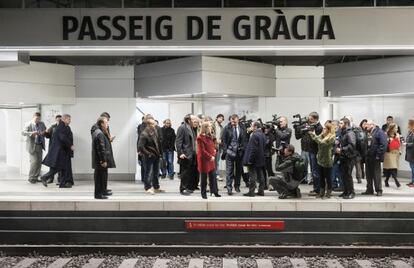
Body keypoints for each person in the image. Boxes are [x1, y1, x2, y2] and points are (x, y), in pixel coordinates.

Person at [294, 112, 323, 195]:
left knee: (315, 171)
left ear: (315, 119)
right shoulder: (311, 126)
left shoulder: (319, 127)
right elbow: (298, 136)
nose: (309, 121)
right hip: (310, 150)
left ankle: (317, 190)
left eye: (310, 119)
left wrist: (311, 131)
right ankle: (316, 189)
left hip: (315, 151)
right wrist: (298, 128)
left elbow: (318, 140)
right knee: (314, 171)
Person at [42, 114, 74, 188]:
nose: (70, 121)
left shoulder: (65, 127)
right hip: (60, 151)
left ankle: (62, 184)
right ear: (64, 119)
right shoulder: (61, 127)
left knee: (63, 167)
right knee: (58, 167)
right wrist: (70, 145)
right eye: (69, 119)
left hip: (62, 151)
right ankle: (45, 177)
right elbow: (63, 138)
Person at [221, 114, 248, 195]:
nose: (233, 123)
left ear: (238, 120)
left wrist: (243, 148)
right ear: (230, 120)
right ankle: (229, 188)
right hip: (229, 152)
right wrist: (226, 151)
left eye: (235, 122)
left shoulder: (242, 127)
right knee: (229, 171)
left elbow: (245, 139)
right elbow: (223, 140)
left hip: (239, 153)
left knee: (239, 171)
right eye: (232, 122)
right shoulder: (226, 128)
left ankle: (237, 186)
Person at [137, 118, 165, 194]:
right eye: (153, 124)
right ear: (149, 125)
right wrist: (148, 154)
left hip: (156, 155)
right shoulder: (144, 134)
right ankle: (148, 187)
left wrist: (160, 153)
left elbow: (158, 143)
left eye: (154, 123)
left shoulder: (155, 131)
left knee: (156, 172)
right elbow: (140, 147)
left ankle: (156, 187)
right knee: (148, 172)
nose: (155, 125)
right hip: (148, 156)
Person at [92, 117, 116, 199]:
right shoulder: (100, 134)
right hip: (100, 161)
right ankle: (98, 195)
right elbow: (101, 148)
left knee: (99, 177)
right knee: (99, 178)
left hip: (98, 160)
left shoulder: (98, 132)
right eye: (106, 123)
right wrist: (103, 160)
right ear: (101, 124)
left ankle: (100, 193)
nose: (107, 124)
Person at [310, 121, 336, 198]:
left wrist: (313, 135)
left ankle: (328, 192)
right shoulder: (323, 135)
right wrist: (312, 134)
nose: (323, 129)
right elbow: (317, 139)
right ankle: (321, 193)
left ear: (329, 129)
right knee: (321, 177)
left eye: (325, 128)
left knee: (328, 178)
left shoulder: (331, 137)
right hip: (320, 159)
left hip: (327, 160)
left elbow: (322, 143)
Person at [196, 121, 221, 199]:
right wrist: (210, 156)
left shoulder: (209, 136)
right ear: (206, 128)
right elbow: (202, 151)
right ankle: (203, 193)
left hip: (211, 159)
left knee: (213, 176)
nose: (211, 128)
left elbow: (212, 146)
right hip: (204, 160)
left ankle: (214, 191)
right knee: (204, 178)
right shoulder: (200, 138)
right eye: (210, 126)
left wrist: (214, 151)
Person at [363, 119, 388, 196]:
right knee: (368, 174)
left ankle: (379, 190)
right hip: (368, 157)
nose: (366, 126)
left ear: (372, 125)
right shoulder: (368, 133)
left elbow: (383, 145)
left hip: (375, 157)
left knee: (376, 174)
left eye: (368, 125)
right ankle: (369, 189)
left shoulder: (379, 132)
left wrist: (378, 156)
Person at [22, 112, 47, 184]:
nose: (38, 120)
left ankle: (35, 177)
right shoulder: (28, 123)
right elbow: (23, 132)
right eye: (36, 118)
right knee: (34, 162)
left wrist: (44, 132)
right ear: (33, 117)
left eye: (39, 119)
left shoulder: (42, 123)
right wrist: (31, 133)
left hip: (40, 145)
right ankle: (31, 177)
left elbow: (45, 131)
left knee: (39, 162)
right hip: (32, 145)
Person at [243, 121, 266, 197]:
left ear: (255, 126)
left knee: (252, 175)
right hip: (261, 158)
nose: (250, 127)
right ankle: (261, 191)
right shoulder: (263, 134)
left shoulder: (255, 135)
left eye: (252, 126)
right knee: (260, 175)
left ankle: (251, 192)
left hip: (254, 159)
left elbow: (253, 149)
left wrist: (250, 160)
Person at [176, 114, 197, 195]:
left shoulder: (191, 127)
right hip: (185, 154)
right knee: (184, 173)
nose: (195, 121)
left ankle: (188, 187)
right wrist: (180, 153)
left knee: (189, 172)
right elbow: (178, 141)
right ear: (189, 120)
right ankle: (183, 188)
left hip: (191, 154)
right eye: (193, 119)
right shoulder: (182, 128)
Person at [336, 117, 357, 199]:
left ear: (346, 124)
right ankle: (346, 191)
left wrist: (341, 149)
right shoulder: (343, 132)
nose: (339, 125)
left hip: (349, 157)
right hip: (343, 156)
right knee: (344, 175)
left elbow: (352, 145)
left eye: (341, 123)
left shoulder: (350, 133)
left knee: (348, 175)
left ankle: (351, 192)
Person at [42, 114, 62, 184]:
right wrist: (46, 132)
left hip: (60, 148)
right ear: (56, 119)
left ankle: (60, 179)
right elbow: (47, 136)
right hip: (52, 148)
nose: (59, 121)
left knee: (60, 163)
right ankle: (50, 178)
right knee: (52, 163)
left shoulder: (64, 127)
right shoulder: (53, 127)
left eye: (60, 119)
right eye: (58, 119)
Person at [383, 123, 401, 188]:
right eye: (395, 128)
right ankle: (396, 181)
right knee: (392, 167)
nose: (396, 129)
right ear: (392, 128)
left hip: (396, 153)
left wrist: (400, 151)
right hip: (388, 153)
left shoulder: (397, 135)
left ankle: (386, 180)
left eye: (397, 128)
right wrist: (389, 140)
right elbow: (384, 144)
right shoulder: (386, 135)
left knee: (392, 168)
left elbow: (399, 144)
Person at [355, 119, 368, 184]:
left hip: (364, 150)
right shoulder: (359, 131)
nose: (365, 125)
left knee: (360, 164)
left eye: (366, 124)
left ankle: (361, 176)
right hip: (359, 151)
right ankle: (359, 177)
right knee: (358, 165)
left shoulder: (367, 131)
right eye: (364, 124)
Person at [214, 114, 225, 181]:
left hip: (218, 147)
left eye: (222, 118)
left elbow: (222, 137)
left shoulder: (221, 127)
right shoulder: (212, 125)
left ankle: (216, 174)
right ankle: (213, 174)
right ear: (216, 118)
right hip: (212, 146)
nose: (221, 119)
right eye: (220, 118)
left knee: (217, 161)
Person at [405, 118, 414, 187]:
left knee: (413, 168)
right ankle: (412, 181)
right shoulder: (410, 132)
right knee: (412, 167)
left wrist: (407, 144)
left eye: (409, 123)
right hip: (410, 153)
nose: (408, 125)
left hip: (412, 153)